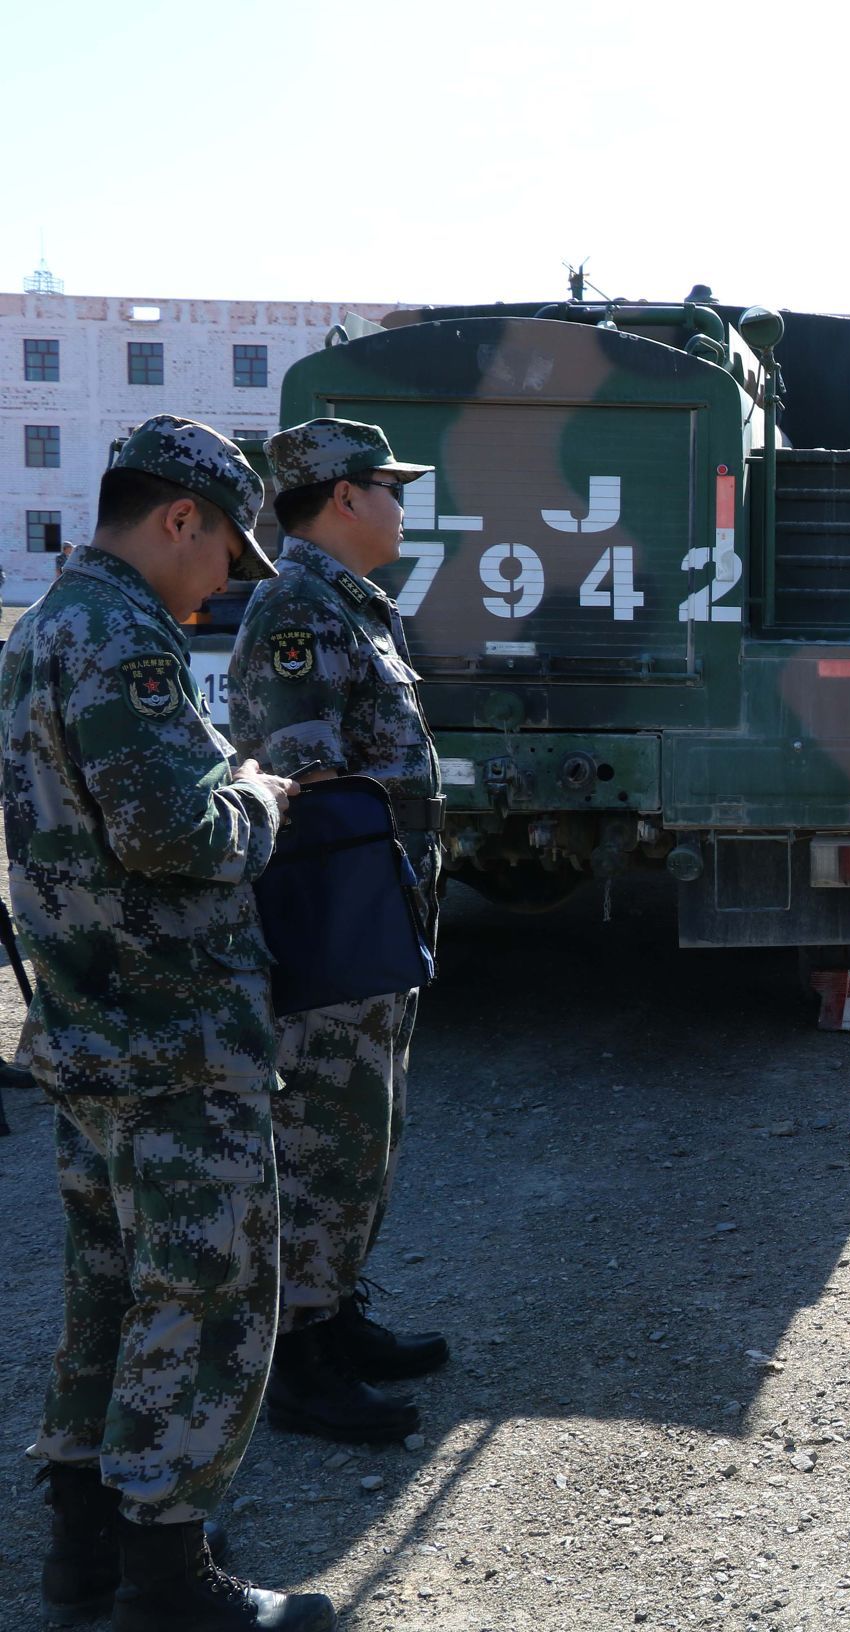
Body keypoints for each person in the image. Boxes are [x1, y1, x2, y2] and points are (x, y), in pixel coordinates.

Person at [5, 415, 334, 1629]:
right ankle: (168, 1580)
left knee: (112, 1285)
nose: (226, 584)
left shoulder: (47, 625)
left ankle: (85, 1552)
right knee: (206, 1290)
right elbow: (171, 830)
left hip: (93, 1024)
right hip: (171, 1033)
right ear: (178, 518)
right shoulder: (124, 637)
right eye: (226, 554)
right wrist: (257, 795)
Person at [229, 418, 453, 1448]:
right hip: (336, 908)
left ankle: (334, 1308)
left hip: (377, 901)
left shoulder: (349, 604)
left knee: (365, 1126)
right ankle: (297, 1355)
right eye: (388, 486)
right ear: (343, 497)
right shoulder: (298, 607)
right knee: (322, 1128)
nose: (402, 504)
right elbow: (308, 774)